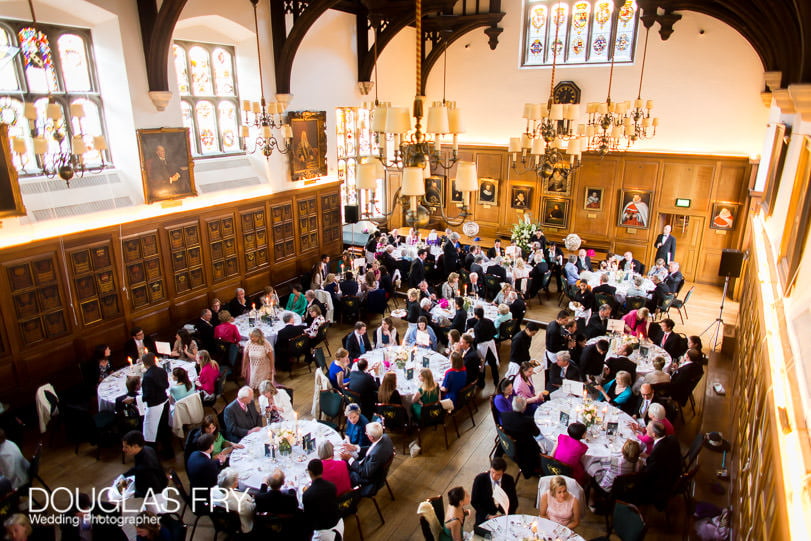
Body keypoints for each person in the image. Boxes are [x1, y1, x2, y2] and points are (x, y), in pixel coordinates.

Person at [641, 421, 682, 508]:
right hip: (674, 470)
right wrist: (648, 457)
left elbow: (649, 473)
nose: (645, 430)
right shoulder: (672, 438)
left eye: (647, 430)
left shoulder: (658, 450)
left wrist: (640, 461)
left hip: (662, 484)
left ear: (654, 435)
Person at [346, 422, 394, 496]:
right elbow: (372, 448)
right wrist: (356, 448)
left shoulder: (375, 455)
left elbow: (364, 472)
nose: (366, 433)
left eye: (366, 432)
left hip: (371, 480)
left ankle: (351, 495)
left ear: (371, 437)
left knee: (347, 472)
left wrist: (350, 459)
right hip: (377, 470)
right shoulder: (385, 437)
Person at [140, 353, 172, 456]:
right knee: (164, 427)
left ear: (145, 364)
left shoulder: (147, 376)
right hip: (164, 401)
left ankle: (153, 453)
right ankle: (168, 451)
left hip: (154, 405)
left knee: (150, 431)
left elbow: (146, 395)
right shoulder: (162, 371)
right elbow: (166, 385)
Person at [302, 459, 343, 540]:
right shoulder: (332, 486)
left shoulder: (307, 494)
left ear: (310, 472)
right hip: (338, 522)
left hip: (322, 531)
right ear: (322, 470)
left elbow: (308, 518)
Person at [470, 457, 518, 526]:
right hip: (486, 515)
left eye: (498, 474)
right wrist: (488, 516)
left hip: (504, 515)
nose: (494, 476)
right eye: (492, 472)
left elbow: (514, 502)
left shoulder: (509, 480)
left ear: (503, 473)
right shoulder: (480, 479)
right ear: (490, 469)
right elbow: (474, 501)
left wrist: (505, 515)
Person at [500, 397, 541, 475]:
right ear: (524, 407)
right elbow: (537, 433)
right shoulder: (528, 420)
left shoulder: (504, 415)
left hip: (511, 446)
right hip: (527, 449)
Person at [122, 430, 167, 498]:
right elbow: (137, 469)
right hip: (160, 488)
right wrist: (124, 475)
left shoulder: (145, 467)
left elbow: (151, 487)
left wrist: (131, 494)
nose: (123, 449)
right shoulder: (148, 449)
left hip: (155, 495)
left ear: (135, 446)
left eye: (126, 447)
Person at [211, 467, 255, 533]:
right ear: (233, 484)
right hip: (241, 526)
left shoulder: (213, 490)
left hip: (223, 521)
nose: (238, 481)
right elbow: (251, 511)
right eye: (237, 480)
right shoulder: (242, 501)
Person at [187, 432, 222, 502]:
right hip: (206, 495)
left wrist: (219, 461)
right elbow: (219, 480)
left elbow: (206, 465)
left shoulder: (194, 454)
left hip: (196, 487)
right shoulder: (208, 464)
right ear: (211, 446)